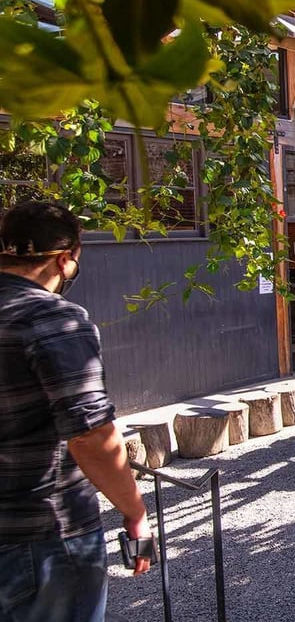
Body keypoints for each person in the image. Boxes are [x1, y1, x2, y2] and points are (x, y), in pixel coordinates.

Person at [0, 201, 152, 622]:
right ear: (65, 259)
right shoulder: (52, 318)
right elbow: (90, 434)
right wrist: (135, 512)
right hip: (43, 530)